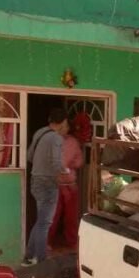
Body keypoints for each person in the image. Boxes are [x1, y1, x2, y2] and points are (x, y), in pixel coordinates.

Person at [23, 108, 69, 266]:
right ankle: (42, 261)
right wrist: (65, 171)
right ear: (62, 122)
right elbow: (56, 163)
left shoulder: (40, 132)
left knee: (41, 221)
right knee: (44, 223)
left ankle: (29, 257)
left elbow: (29, 156)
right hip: (48, 183)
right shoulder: (56, 138)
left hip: (35, 180)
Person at [48, 115, 85, 253]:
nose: (64, 129)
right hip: (53, 185)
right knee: (52, 216)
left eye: (66, 126)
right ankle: (46, 242)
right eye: (61, 126)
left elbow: (80, 160)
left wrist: (71, 165)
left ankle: (72, 243)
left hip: (70, 185)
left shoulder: (73, 142)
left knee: (71, 217)